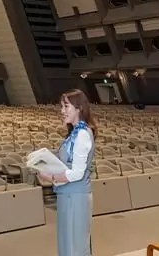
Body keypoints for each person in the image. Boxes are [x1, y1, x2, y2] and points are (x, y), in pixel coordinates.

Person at [39, 89, 96, 256]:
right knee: (68, 244)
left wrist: (51, 177)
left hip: (75, 197)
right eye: (61, 106)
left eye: (66, 106)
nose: (62, 111)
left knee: (75, 246)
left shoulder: (82, 134)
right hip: (68, 195)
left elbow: (77, 173)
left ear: (79, 108)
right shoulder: (74, 134)